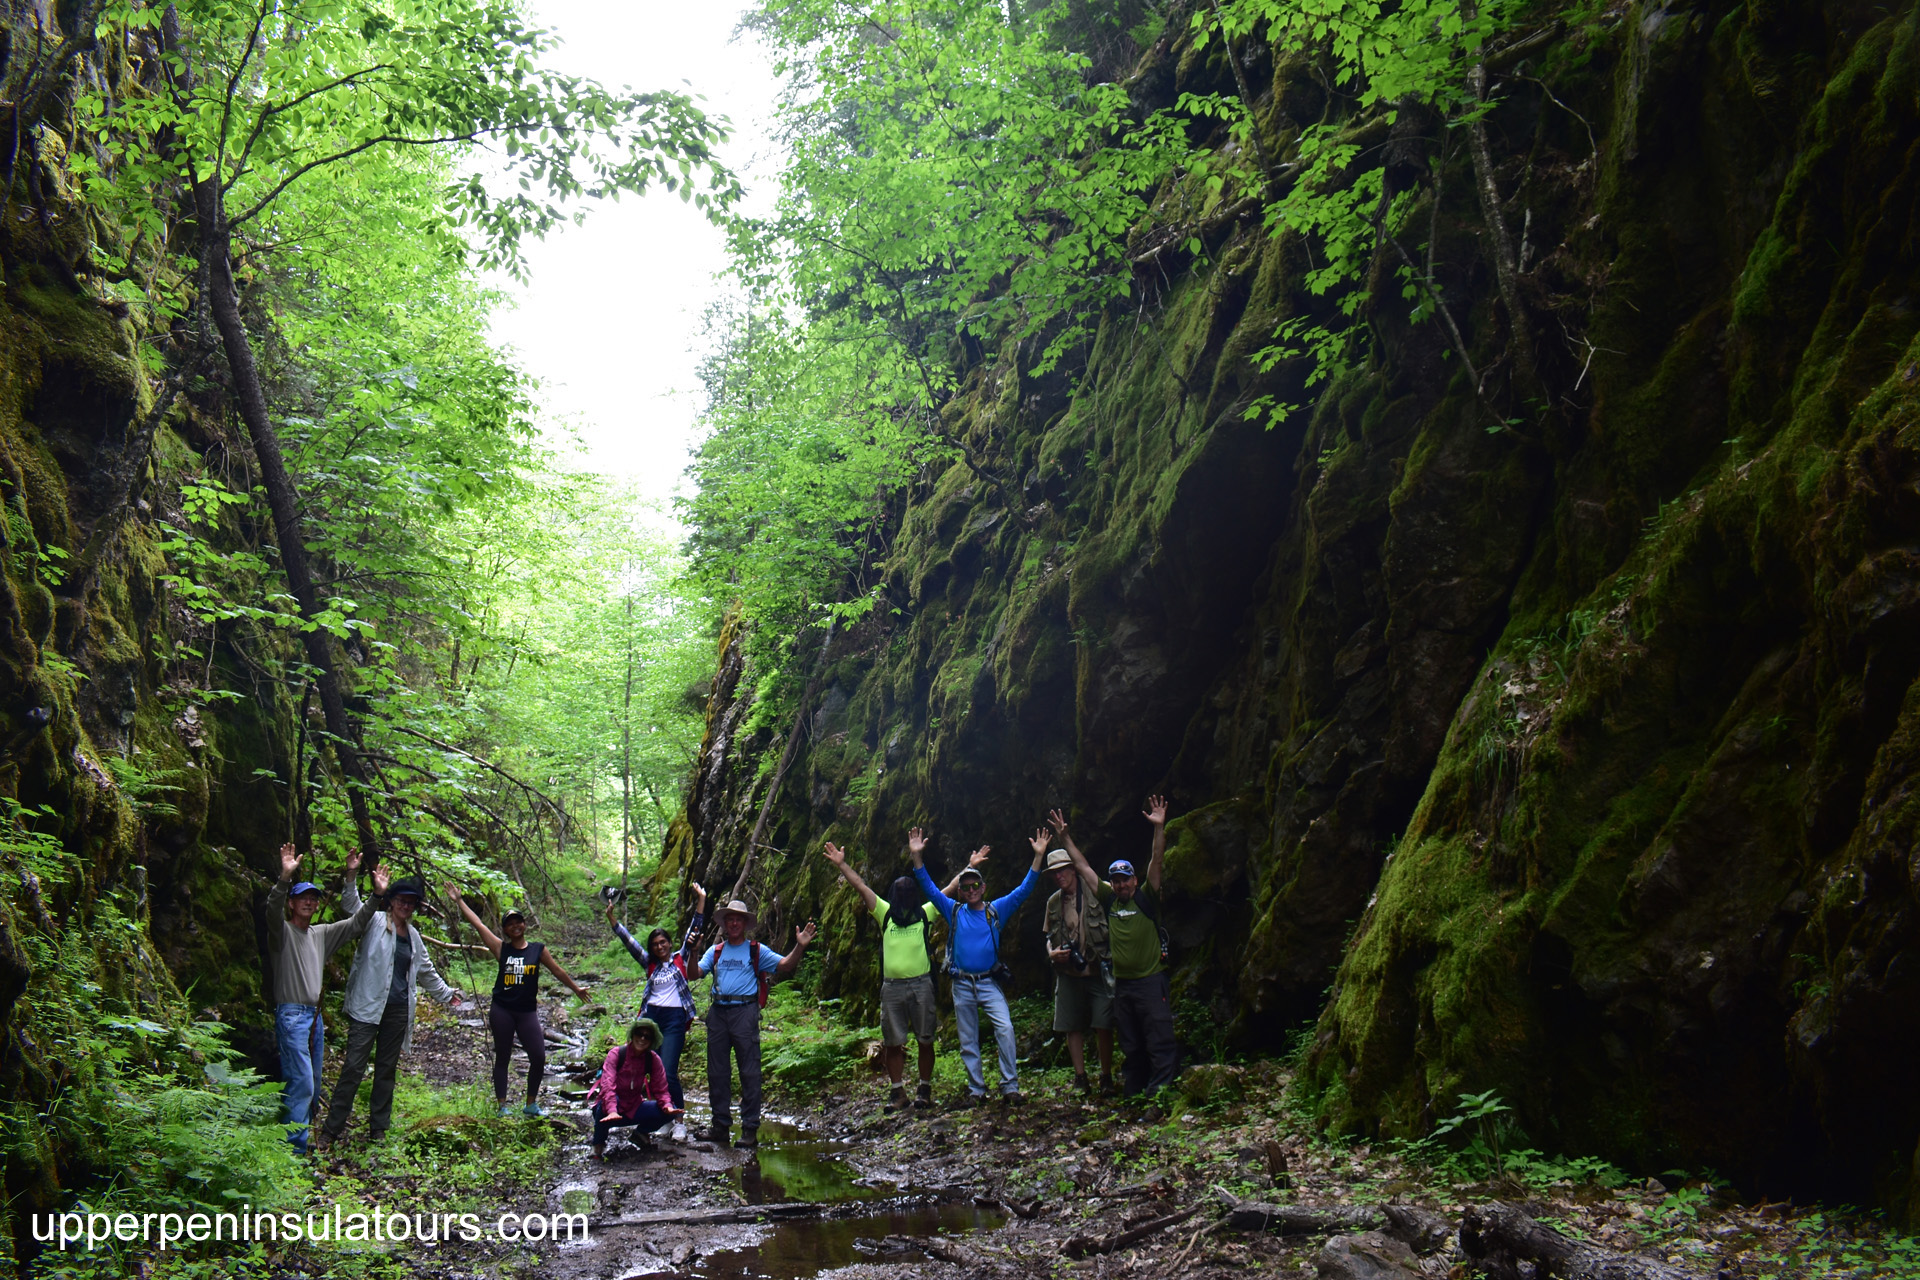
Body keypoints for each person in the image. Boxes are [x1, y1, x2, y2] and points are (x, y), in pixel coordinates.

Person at [819, 841, 986, 1111]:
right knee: (893, 1042)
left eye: (908, 891)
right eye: (900, 891)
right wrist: (841, 864)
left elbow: (948, 890)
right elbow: (861, 886)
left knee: (925, 1039)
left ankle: (924, 1089)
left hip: (922, 985)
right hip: (892, 988)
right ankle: (897, 1092)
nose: (904, 894)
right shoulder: (885, 914)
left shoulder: (925, 913)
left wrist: (971, 866)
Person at [317, 869, 463, 1148]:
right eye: (401, 900)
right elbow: (351, 906)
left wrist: (446, 995)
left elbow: (426, 971)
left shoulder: (414, 937)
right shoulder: (373, 921)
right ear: (391, 900)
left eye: (411, 902)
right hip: (367, 1008)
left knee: (386, 1069)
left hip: (397, 1011)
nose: (405, 906)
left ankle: (378, 1129)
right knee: (353, 1067)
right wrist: (351, 876)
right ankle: (331, 1130)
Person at [1050, 798, 1177, 1096]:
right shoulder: (1108, 900)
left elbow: (1156, 861)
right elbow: (1082, 866)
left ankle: (1159, 1093)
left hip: (1150, 980)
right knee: (1131, 1041)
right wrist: (1064, 837)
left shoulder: (1146, 898)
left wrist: (1159, 828)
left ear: (1134, 880)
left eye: (1125, 880)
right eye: (1116, 881)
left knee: (1158, 1037)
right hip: (1123, 985)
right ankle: (1134, 1092)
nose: (1120, 885)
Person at [910, 825, 1043, 1107]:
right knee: (968, 1038)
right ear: (960, 890)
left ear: (983, 888)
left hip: (988, 982)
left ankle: (1010, 1086)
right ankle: (976, 1090)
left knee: (1005, 1028)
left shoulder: (997, 910)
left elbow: (1024, 891)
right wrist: (917, 858)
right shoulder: (953, 910)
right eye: (965, 887)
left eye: (975, 886)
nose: (970, 890)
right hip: (961, 983)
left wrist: (1038, 857)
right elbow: (929, 889)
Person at [445, 885, 592, 1117]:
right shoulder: (500, 948)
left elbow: (557, 970)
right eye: (510, 923)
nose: (515, 926)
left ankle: (531, 1103)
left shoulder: (537, 950)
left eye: (518, 921)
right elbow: (478, 924)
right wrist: (459, 901)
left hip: (526, 1012)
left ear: (524, 925)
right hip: (502, 1009)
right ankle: (503, 1106)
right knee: (503, 1056)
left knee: (539, 1055)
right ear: (505, 929)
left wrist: (575, 988)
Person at [266, 843, 375, 1153]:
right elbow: (270, 911)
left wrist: (369, 889)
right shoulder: (282, 933)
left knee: (312, 1086)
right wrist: (284, 878)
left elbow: (356, 924)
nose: (309, 902)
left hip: (314, 1019)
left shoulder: (321, 935)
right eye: (302, 898)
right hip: (291, 1016)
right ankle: (295, 1152)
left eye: (313, 898)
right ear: (292, 904)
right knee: (301, 1084)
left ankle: (301, 1139)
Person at [692, 898, 817, 1149]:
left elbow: (785, 965)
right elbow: (693, 974)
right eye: (730, 919)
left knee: (749, 1071)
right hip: (718, 1013)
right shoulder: (715, 951)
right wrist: (693, 951)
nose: (734, 922)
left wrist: (799, 946)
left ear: (745, 924)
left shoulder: (756, 950)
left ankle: (749, 1129)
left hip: (745, 1013)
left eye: (739, 919)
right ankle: (720, 1126)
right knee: (717, 1071)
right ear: (725, 924)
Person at [605, 881, 708, 1138]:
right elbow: (628, 941)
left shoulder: (679, 958)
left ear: (670, 943)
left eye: (663, 942)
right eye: (655, 944)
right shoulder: (649, 964)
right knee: (653, 1071)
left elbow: (694, 928)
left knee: (669, 1070)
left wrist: (701, 900)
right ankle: (665, 1116)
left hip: (673, 1019)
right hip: (651, 1021)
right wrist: (612, 919)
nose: (660, 947)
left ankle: (679, 1120)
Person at [1038, 834, 1116, 1098]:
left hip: (1097, 970)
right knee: (1072, 1025)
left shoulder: (1098, 890)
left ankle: (1106, 1077)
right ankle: (1080, 1077)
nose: (1059, 876)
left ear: (1072, 868)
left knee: (1103, 1024)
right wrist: (1052, 954)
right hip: (1069, 974)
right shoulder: (1053, 903)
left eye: (1063, 870)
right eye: (1054, 873)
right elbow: (1048, 938)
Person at [586, 1019, 684, 1161]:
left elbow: (661, 1089)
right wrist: (612, 1110)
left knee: (670, 1111)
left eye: (647, 1036)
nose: (642, 1039)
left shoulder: (652, 1059)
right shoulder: (616, 1054)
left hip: (634, 1106)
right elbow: (608, 1086)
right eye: (639, 1034)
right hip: (611, 1108)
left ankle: (640, 1133)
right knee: (604, 1107)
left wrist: (668, 1106)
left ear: (652, 1041)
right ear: (633, 1035)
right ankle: (598, 1145)